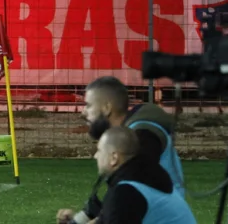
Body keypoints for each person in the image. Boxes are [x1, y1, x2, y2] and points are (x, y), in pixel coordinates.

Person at [58, 76, 184, 224]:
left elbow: (125, 204)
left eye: (88, 105)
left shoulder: (140, 138)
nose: (83, 112)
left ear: (106, 108)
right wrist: (77, 222)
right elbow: (108, 199)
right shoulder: (129, 134)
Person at [92, 127, 196, 224]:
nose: (95, 156)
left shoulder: (126, 192)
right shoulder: (144, 177)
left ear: (114, 158)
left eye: (99, 150)